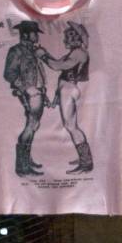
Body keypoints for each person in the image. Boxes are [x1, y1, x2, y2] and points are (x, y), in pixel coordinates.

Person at [37, 21, 92, 174]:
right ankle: (84, 159)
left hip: (68, 89)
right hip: (66, 89)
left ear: (73, 38)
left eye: (67, 37)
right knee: (71, 126)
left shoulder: (78, 53)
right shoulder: (76, 52)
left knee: (71, 127)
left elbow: (57, 66)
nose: (64, 40)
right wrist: (46, 54)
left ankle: (86, 163)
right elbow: (59, 63)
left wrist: (42, 56)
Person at [3, 20, 48, 177]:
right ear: (27, 34)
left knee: (33, 126)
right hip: (29, 94)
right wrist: (27, 88)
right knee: (30, 126)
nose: (37, 36)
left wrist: (43, 92)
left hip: (38, 93)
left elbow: (38, 75)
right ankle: (22, 166)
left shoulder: (32, 51)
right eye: (35, 33)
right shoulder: (16, 51)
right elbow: (9, 74)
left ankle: (26, 160)